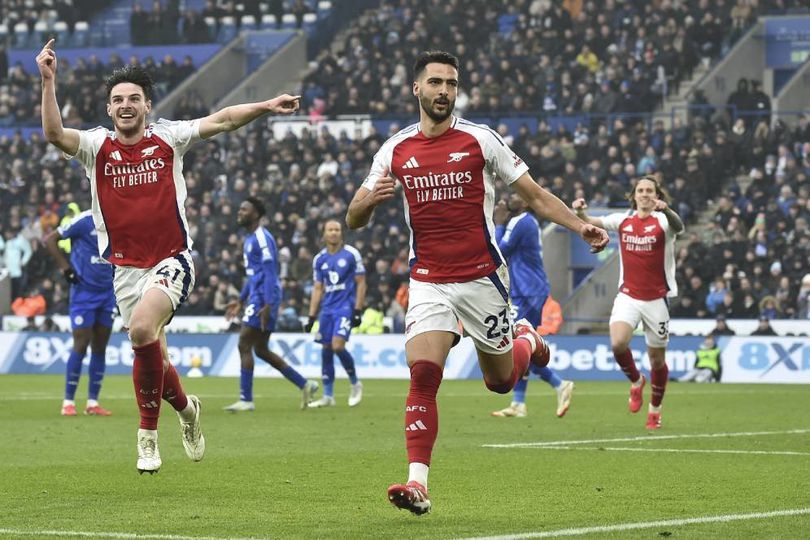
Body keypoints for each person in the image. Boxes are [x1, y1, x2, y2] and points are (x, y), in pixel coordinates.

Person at [346, 50, 608, 515]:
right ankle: (417, 483)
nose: (444, 90)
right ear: (417, 88)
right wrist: (369, 202)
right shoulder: (394, 150)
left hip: (482, 279)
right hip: (428, 280)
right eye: (435, 82)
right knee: (423, 373)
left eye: (451, 83)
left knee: (500, 382)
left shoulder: (480, 139)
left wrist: (579, 226)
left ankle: (527, 339)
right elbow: (353, 217)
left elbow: (535, 196)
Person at [37, 39, 300, 474]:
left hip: (171, 260)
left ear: (147, 105)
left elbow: (223, 119)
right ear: (109, 109)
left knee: (142, 329)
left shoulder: (168, 137)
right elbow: (53, 134)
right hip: (125, 270)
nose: (126, 105)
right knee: (155, 359)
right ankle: (188, 411)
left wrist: (266, 105)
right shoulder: (96, 147)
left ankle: (147, 438)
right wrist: (48, 80)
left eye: (133, 99)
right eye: (118, 100)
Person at [572, 175, 684, 431]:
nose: (645, 194)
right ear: (634, 195)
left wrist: (668, 210)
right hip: (628, 296)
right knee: (618, 342)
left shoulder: (663, 221)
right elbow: (591, 222)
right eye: (640, 190)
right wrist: (580, 212)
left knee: (657, 360)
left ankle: (655, 410)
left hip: (657, 299)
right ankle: (636, 381)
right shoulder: (624, 220)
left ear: (657, 196)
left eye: (649, 191)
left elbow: (679, 227)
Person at [223, 197, 319, 412]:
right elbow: (253, 276)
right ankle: (305, 384)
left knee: (244, 343)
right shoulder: (249, 239)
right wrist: (240, 300)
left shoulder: (262, 238)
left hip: (264, 297)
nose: (240, 212)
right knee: (261, 349)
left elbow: (269, 273)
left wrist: (267, 303)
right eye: (240, 208)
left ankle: (246, 399)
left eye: (244, 209)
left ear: (256, 214)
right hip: (259, 295)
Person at [489, 193, 574, 419]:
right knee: (524, 344)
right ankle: (519, 403)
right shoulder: (527, 222)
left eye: (517, 194)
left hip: (527, 292)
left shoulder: (521, 221)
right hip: (528, 290)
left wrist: (499, 223)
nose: (511, 196)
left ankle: (559, 384)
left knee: (519, 343)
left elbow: (499, 252)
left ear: (526, 201)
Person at [44, 208, 116, 417]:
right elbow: (50, 239)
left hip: (108, 293)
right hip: (83, 293)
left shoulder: (120, 218)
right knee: (81, 343)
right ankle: (68, 402)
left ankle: (93, 402)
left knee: (100, 347)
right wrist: (66, 269)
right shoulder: (84, 220)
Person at [304, 219, 366, 408]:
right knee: (326, 349)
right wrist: (311, 316)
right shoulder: (319, 259)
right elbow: (317, 288)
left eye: (337, 230)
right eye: (330, 230)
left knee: (337, 346)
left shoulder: (351, 254)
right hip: (327, 309)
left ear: (341, 233)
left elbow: (361, 283)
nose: (333, 233)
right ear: (324, 234)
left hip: (345, 307)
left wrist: (357, 310)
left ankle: (355, 383)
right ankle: (328, 395)